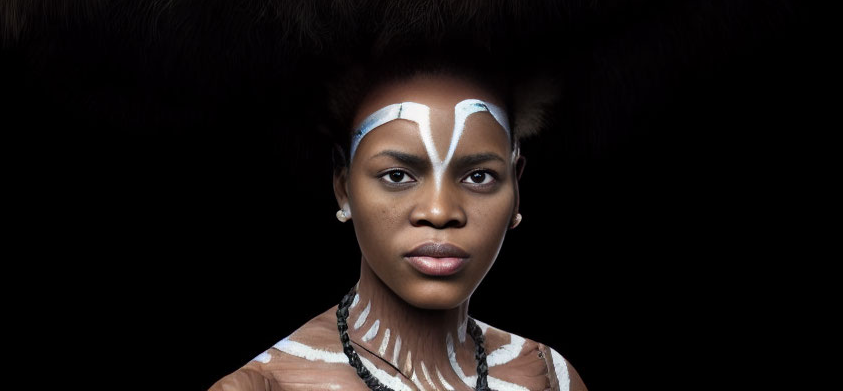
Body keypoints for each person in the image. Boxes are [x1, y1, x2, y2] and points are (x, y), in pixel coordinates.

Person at [208, 51, 588, 391]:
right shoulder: (267, 385)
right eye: (397, 175)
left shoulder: (549, 376)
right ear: (344, 187)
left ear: (516, 189)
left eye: (478, 176)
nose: (439, 212)